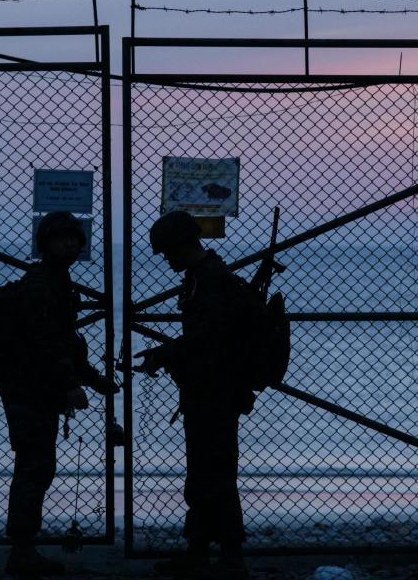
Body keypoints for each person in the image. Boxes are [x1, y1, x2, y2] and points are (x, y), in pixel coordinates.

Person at [135, 210, 264, 580]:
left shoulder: (212, 283)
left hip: (217, 391)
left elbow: (210, 339)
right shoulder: (200, 279)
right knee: (203, 473)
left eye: (168, 251)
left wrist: (167, 352)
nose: (166, 259)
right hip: (206, 389)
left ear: (184, 244)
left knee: (216, 473)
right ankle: (200, 550)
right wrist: (170, 355)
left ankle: (230, 554)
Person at [0, 210, 119, 577]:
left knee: (37, 467)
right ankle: (21, 551)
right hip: (29, 390)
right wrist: (71, 384)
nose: (69, 244)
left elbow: (64, 343)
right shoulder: (42, 286)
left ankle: (23, 548)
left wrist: (92, 379)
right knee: (34, 468)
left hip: (37, 389)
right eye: (61, 237)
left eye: (75, 239)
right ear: (45, 243)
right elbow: (46, 344)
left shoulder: (56, 282)